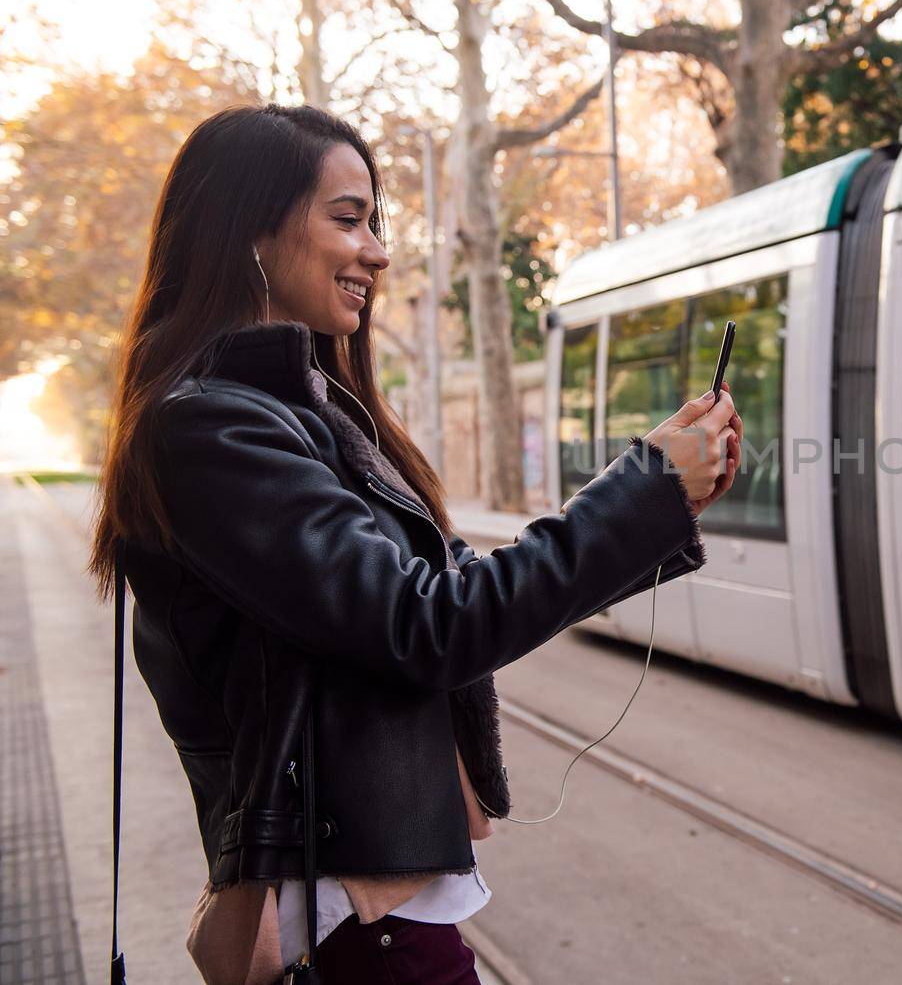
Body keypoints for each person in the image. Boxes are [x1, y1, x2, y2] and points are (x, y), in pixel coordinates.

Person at [85, 103, 742, 984]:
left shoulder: (300, 415)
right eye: (348, 219)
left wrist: (661, 507)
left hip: (376, 916)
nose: (379, 253)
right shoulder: (210, 431)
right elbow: (429, 625)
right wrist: (647, 494)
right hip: (344, 926)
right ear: (250, 228)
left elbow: (452, 587)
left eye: (376, 222)